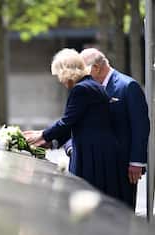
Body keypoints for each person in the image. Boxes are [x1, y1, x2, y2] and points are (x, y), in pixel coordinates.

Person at [25, 48, 127, 206]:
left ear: (66, 72)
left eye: (59, 74)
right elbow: (78, 121)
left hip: (93, 153)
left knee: (88, 198)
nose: (59, 80)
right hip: (102, 151)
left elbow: (67, 121)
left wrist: (41, 136)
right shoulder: (92, 85)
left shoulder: (81, 89)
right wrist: (50, 140)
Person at [73, 48, 148, 209]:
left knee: (121, 212)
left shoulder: (128, 86)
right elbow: (75, 120)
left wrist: (136, 162)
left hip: (122, 167)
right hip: (92, 166)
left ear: (97, 68)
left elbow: (140, 126)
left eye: (83, 70)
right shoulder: (86, 89)